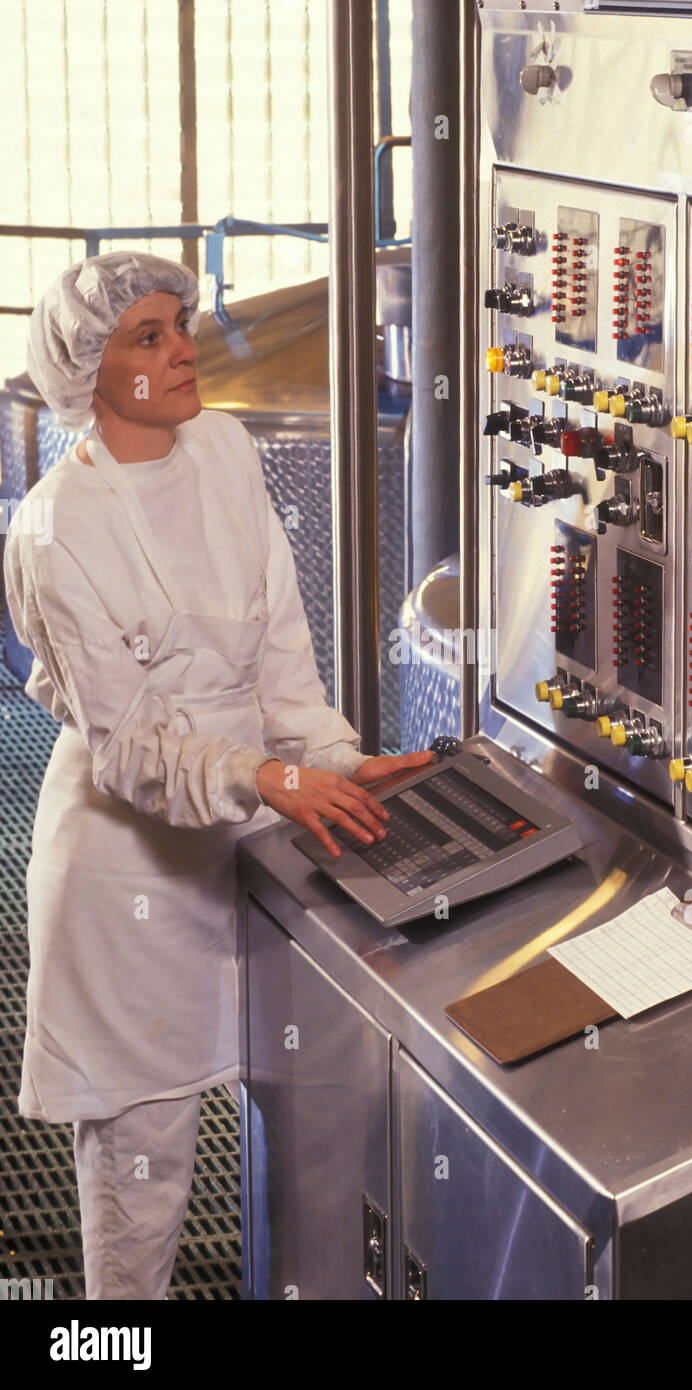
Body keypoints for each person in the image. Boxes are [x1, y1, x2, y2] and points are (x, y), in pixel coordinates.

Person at [4, 250, 435, 1299]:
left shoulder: (228, 450)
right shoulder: (59, 529)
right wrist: (269, 779)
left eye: (179, 324)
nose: (180, 349)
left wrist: (333, 760)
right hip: (128, 880)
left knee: (321, 1132)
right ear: (87, 369)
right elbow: (134, 748)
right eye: (145, 337)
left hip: (254, 846)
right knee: (143, 1190)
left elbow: (281, 651)